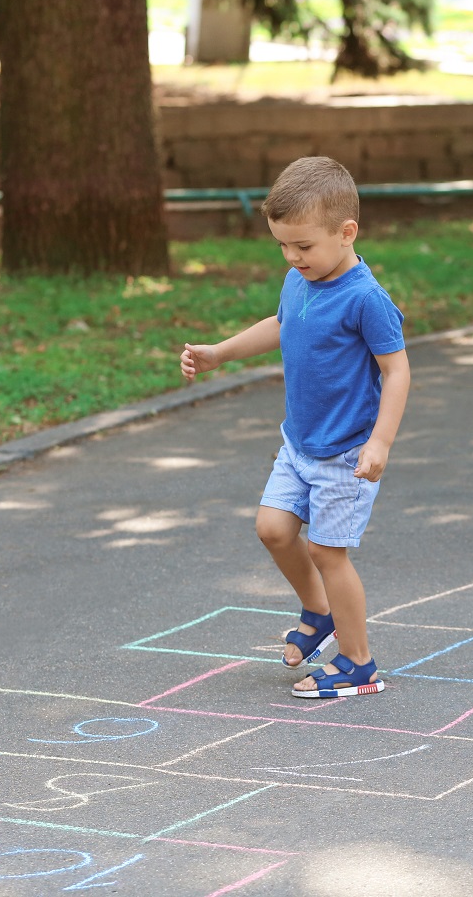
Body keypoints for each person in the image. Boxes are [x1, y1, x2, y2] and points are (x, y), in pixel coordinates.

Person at [179, 156, 410, 696]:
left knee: (329, 551)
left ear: (346, 232)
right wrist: (221, 353)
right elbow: (280, 325)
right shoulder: (297, 280)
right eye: (283, 245)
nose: (292, 256)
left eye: (303, 246)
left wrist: (381, 441)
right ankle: (319, 610)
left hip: (345, 454)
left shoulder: (366, 299)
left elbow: (396, 371)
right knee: (274, 529)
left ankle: (358, 663)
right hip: (300, 445)